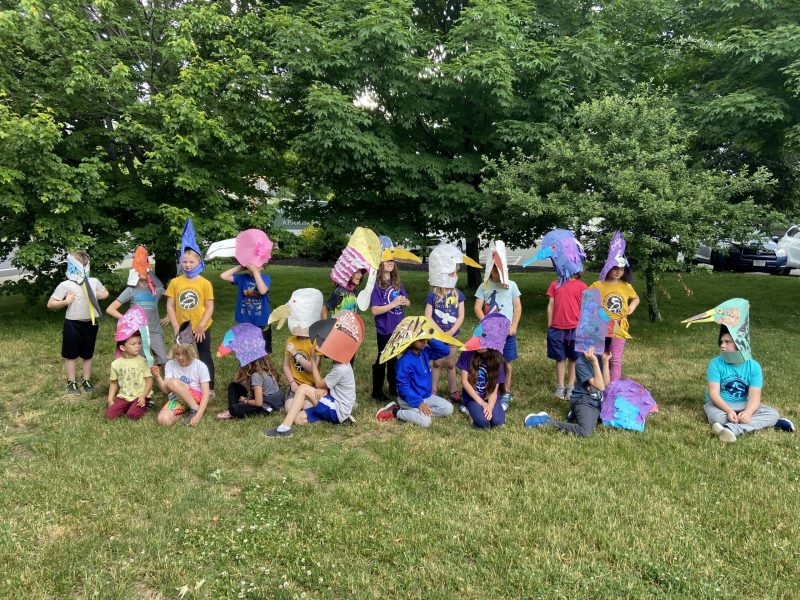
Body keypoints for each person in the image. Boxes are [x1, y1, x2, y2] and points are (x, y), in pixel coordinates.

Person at [264, 311, 364, 437]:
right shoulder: (341, 363)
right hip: (333, 403)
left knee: (303, 389)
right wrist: (326, 390)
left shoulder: (341, 369)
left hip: (337, 408)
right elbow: (330, 385)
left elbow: (319, 383)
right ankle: (338, 420)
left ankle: (284, 428)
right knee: (298, 419)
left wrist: (312, 358)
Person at [374, 316, 461, 427]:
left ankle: (416, 412)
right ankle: (395, 412)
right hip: (408, 399)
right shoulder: (404, 362)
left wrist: (430, 338)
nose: (424, 342)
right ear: (410, 341)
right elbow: (403, 388)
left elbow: (445, 351)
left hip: (426, 396)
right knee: (425, 422)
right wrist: (419, 403)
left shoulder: (424, 352)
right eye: (420, 339)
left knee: (448, 408)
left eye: (425, 338)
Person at [47, 251, 109, 394]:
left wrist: (98, 295)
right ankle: (71, 382)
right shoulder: (65, 285)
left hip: (91, 323)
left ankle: (86, 380)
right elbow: (50, 304)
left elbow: (105, 293)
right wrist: (65, 302)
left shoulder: (93, 281)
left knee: (88, 353)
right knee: (71, 354)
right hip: (72, 324)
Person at [165, 220, 215, 391]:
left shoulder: (205, 283)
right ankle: (185, 384)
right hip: (183, 327)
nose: (187, 265)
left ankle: (209, 388)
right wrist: (175, 326)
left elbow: (209, 307)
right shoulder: (175, 282)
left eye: (191, 262)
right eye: (184, 262)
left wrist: (201, 326)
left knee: (204, 354)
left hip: (202, 326)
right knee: (183, 355)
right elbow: (170, 306)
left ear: (198, 263)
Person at [474, 240, 521, 410]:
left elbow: (517, 307)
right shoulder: (484, 286)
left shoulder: (512, 286)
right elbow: (478, 307)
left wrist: (513, 327)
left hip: (507, 333)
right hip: (491, 333)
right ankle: (491, 388)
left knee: (507, 361)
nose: (495, 272)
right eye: (492, 268)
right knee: (492, 361)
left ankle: (506, 391)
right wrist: (486, 323)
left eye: (498, 268)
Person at [524, 346, 611, 437]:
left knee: (609, 418)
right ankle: (544, 421)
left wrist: (605, 362)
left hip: (597, 401)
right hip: (584, 401)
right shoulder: (581, 362)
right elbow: (600, 386)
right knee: (585, 432)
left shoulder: (599, 358)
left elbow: (605, 385)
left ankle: (576, 414)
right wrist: (595, 362)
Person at [425, 243, 475, 403]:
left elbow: (461, 315)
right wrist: (438, 332)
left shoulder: (458, 294)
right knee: (437, 363)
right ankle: (433, 389)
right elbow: (428, 315)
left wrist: (451, 332)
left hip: (453, 336)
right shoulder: (433, 294)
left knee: (451, 364)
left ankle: (453, 391)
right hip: (437, 336)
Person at [106, 246, 168, 365]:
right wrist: (127, 320)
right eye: (140, 268)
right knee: (141, 362)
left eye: (145, 268)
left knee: (163, 360)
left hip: (155, 332)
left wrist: (169, 316)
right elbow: (110, 309)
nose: (143, 271)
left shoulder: (156, 290)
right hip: (137, 334)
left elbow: (172, 298)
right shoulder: (131, 290)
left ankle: (163, 381)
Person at [590, 231, 639, 381]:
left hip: (619, 326)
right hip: (602, 325)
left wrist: (631, 308)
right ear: (608, 267)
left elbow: (636, 298)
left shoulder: (625, 286)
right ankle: (600, 383)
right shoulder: (598, 285)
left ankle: (614, 386)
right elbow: (586, 299)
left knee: (615, 358)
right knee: (600, 355)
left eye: (622, 269)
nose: (618, 272)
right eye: (615, 268)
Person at [269, 289, 325, 411]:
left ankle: (309, 401)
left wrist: (296, 354)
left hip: (311, 385)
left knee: (306, 407)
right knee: (289, 408)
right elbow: (286, 366)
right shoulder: (291, 340)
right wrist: (292, 383)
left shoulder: (316, 341)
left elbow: (312, 367)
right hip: (296, 384)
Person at [370, 244, 411, 402]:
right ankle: (377, 391)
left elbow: (407, 302)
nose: (390, 262)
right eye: (387, 260)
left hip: (399, 326)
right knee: (383, 358)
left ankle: (394, 388)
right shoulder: (377, 285)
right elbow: (374, 310)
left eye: (392, 260)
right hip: (385, 328)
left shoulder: (396, 283)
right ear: (380, 263)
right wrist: (393, 304)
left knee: (394, 359)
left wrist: (403, 301)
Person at [457, 313, 509, 429]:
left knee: (498, 423)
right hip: (473, 397)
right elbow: (464, 382)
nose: (480, 345)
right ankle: (467, 410)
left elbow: (494, 391)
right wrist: (481, 403)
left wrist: (490, 405)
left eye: (484, 342)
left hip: (491, 396)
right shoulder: (467, 352)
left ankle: (500, 407)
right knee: (482, 424)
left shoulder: (497, 359)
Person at [547, 273, 587, 400]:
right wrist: (550, 326)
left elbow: (584, 308)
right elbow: (551, 305)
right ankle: (560, 386)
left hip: (575, 330)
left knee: (573, 359)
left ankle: (570, 386)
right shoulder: (555, 284)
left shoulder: (582, 286)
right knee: (560, 358)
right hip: (557, 329)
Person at [151, 342, 211, 426]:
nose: (180, 357)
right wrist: (157, 376)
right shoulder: (170, 364)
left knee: (173, 382)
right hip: (178, 399)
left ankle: (194, 408)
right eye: (177, 354)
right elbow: (165, 389)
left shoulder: (200, 366)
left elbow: (206, 394)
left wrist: (199, 414)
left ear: (190, 352)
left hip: (196, 398)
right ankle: (185, 410)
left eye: (184, 354)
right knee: (163, 420)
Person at [217, 355, 283, 420]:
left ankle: (231, 411)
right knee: (233, 386)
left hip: (267, 407)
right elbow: (236, 381)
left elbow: (258, 403)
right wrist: (240, 372)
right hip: (269, 401)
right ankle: (231, 411)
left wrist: (245, 401)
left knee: (235, 409)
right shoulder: (266, 370)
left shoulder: (256, 375)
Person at [106, 332, 153, 420]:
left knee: (132, 415)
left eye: (139, 343)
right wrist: (110, 399)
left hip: (140, 396)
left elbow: (149, 381)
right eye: (133, 344)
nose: (138, 346)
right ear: (123, 347)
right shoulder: (115, 364)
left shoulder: (143, 361)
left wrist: (143, 396)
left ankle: (146, 405)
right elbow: (113, 383)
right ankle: (130, 406)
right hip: (124, 396)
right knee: (110, 415)